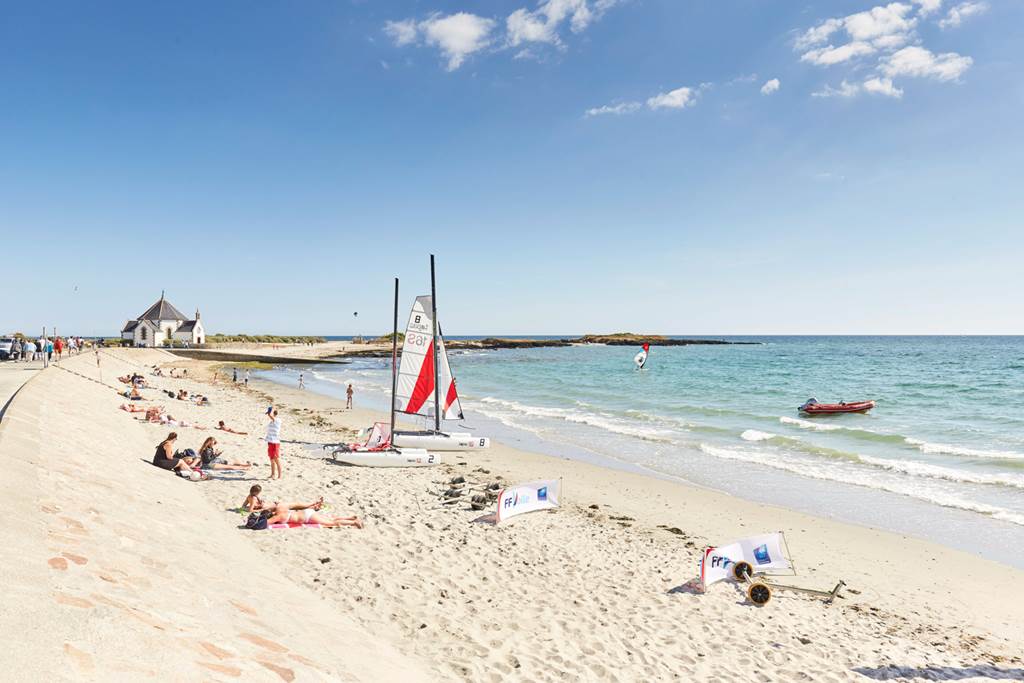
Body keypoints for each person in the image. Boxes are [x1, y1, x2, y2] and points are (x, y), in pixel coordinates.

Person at [264, 500, 362, 528]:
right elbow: (296, 504)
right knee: (329, 519)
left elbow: (267, 523)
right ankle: (349, 518)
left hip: (308, 516)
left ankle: (354, 523)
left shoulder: (278, 516)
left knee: (331, 523)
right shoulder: (280, 510)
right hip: (307, 513)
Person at [265, 406, 282, 479]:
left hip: (275, 443)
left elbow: (269, 415)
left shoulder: (277, 420)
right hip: (270, 442)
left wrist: (272, 409)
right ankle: (272, 474)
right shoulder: (272, 421)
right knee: (271, 460)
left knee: (276, 459)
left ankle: (279, 476)